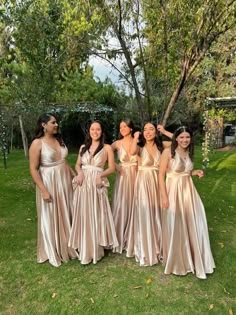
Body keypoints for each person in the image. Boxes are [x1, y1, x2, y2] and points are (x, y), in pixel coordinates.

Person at [158, 126, 215, 279]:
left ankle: (195, 255)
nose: (184, 140)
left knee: (194, 221)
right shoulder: (167, 152)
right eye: (181, 137)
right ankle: (178, 259)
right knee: (175, 224)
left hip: (189, 193)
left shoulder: (188, 152)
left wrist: (194, 172)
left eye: (187, 137)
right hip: (173, 192)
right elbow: (160, 176)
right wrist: (164, 197)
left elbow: (185, 171)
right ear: (176, 138)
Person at [29, 113, 77, 267]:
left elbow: (64, 162)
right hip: (49, 182)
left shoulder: (59, 140)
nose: (56, 125)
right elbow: (33, 169)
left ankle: (70, 244)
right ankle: (54, 248)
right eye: (53, 122)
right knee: (52, 214)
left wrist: (74, 176)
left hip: (65, 181)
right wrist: (43, 190)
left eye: (57, 122)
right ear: (43, 125)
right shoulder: (37, 143)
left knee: (67, 210)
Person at [68, 120, 118, 264]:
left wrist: (100, 176)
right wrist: (79, 173)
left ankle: (96, 248)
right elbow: (78, 165)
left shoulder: (107, 147)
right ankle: (84, 245)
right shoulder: (83, 147)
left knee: (96, 213)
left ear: (102, 131)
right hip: (84, 183)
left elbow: (111, 168)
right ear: (89, 131)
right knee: (84, 213)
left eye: (98, 129)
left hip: (96, 183)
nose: (95, 132)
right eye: (92, 129)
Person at [126, 122, 172, 266]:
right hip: (143, 183)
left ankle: (159, 245)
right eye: (145, 129)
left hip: (157, 182)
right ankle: (146, 247)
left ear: (155, 132)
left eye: (151, 129)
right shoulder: (139, 146)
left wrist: (164, 131)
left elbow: (177, 141)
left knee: (158, 213)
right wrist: (135, 137)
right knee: (145, 213)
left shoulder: (161, 145)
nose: (148, 132)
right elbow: (132, 152)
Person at [111, 119, 137, 253]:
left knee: (135, 204)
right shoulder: (117, 143)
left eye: (125, 126)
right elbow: (104, 154)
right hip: (123, 176)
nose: (122, 129)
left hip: (137, 176)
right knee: (122, 204)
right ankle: (119, 236)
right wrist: (115, 166)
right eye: (120, 127)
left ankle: (134, 237)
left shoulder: (138, 141)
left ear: (131, 128)